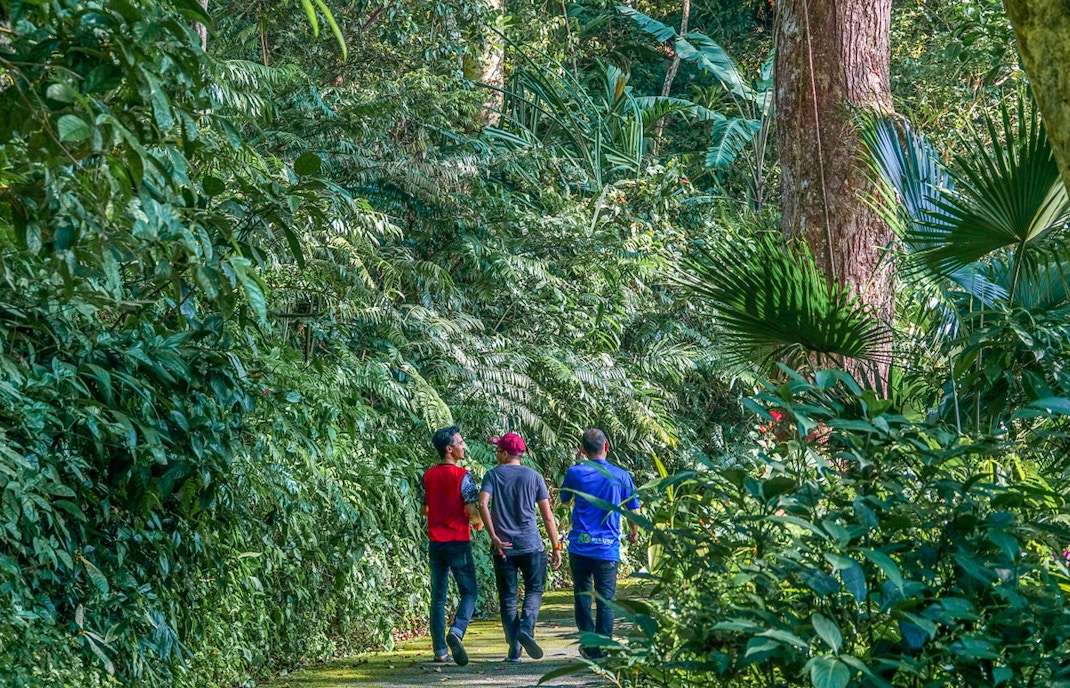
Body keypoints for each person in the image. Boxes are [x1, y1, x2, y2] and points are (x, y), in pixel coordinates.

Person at [477, 432, 562, 663]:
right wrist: (556, 546)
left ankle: (514, 649)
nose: (496, 454)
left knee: (508, 598)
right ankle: (526, 628)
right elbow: (547, 517)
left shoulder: (493, 475)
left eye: (498, 451)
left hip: (503, 548)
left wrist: (493, 535)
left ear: (505, 454)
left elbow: (482, 503)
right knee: (534, 590)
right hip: (531, 545)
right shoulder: (534, 476)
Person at [561, 428, 640, 659]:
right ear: (607, 446)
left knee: (582, 596)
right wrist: (634, 533)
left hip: (580, 547)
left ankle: (589, 644)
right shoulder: (621, 475)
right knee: (606, 600)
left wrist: (579, 465)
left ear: (582, 449)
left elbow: (565, 502)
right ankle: (603, 646)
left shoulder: (575, 472)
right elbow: (633, 510)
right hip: (607, 548)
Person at [421, 426, 482, 666]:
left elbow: (424, 509)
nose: (463, 446)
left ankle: (439, 651)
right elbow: (471, 509)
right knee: (469, 592)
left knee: (438, 597)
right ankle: (457, 630)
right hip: (458, 541)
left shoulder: (427, 476)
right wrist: (478, 523)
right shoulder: (463, 476)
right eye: (460, 443)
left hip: (436, 543)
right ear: (449, 448)